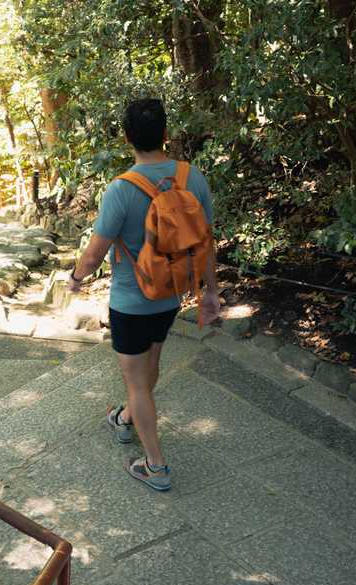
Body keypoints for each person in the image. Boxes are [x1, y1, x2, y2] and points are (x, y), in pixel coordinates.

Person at [68, 98, 220, 491]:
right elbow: (205, 241)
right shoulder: (192, 178)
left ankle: (156, 466)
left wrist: (76, 278)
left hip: (131, 300)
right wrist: (211, 293)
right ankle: (125, 418)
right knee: (149, 366)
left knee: (137, 381)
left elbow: (95, 251)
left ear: (127, 137)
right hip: (170, 295)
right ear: (166, 134)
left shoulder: (122, 188)